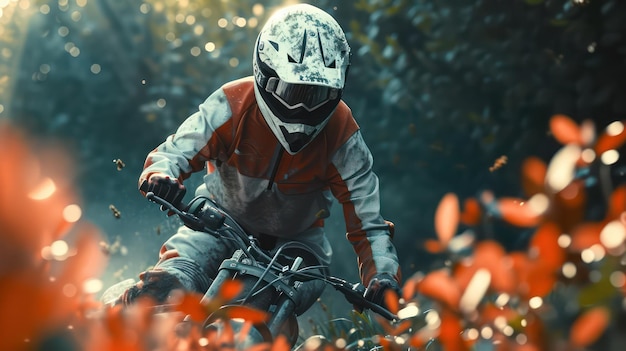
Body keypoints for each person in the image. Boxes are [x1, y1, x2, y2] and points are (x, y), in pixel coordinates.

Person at [116, 3, 401, 314]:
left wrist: (382, 276)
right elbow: (176, 151)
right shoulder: (232, 104)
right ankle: (104, 327)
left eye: (316, 95)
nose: (302, 111)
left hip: (298, 250)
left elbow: (368, 223)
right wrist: (161, 175)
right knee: (163, 289)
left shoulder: (343, 135)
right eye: (291, 91)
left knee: (257, 312)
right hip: (215, 224)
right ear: (264, 73)